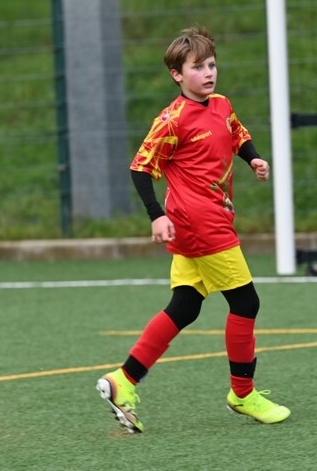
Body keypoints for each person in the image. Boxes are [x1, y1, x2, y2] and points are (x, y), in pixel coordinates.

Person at [95, 26, 290, 432]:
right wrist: (156, 215)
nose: (208, 73)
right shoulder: (172, 120)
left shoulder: (221, 104)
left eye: (211, 65)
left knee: (185, 306)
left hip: (206, 219)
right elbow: (140, 168)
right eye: (197, 67)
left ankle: (122, 380)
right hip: (199, 222)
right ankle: (242, 394)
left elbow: (237, 134)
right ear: (177, 75)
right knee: (246, 302)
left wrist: (253, 158)